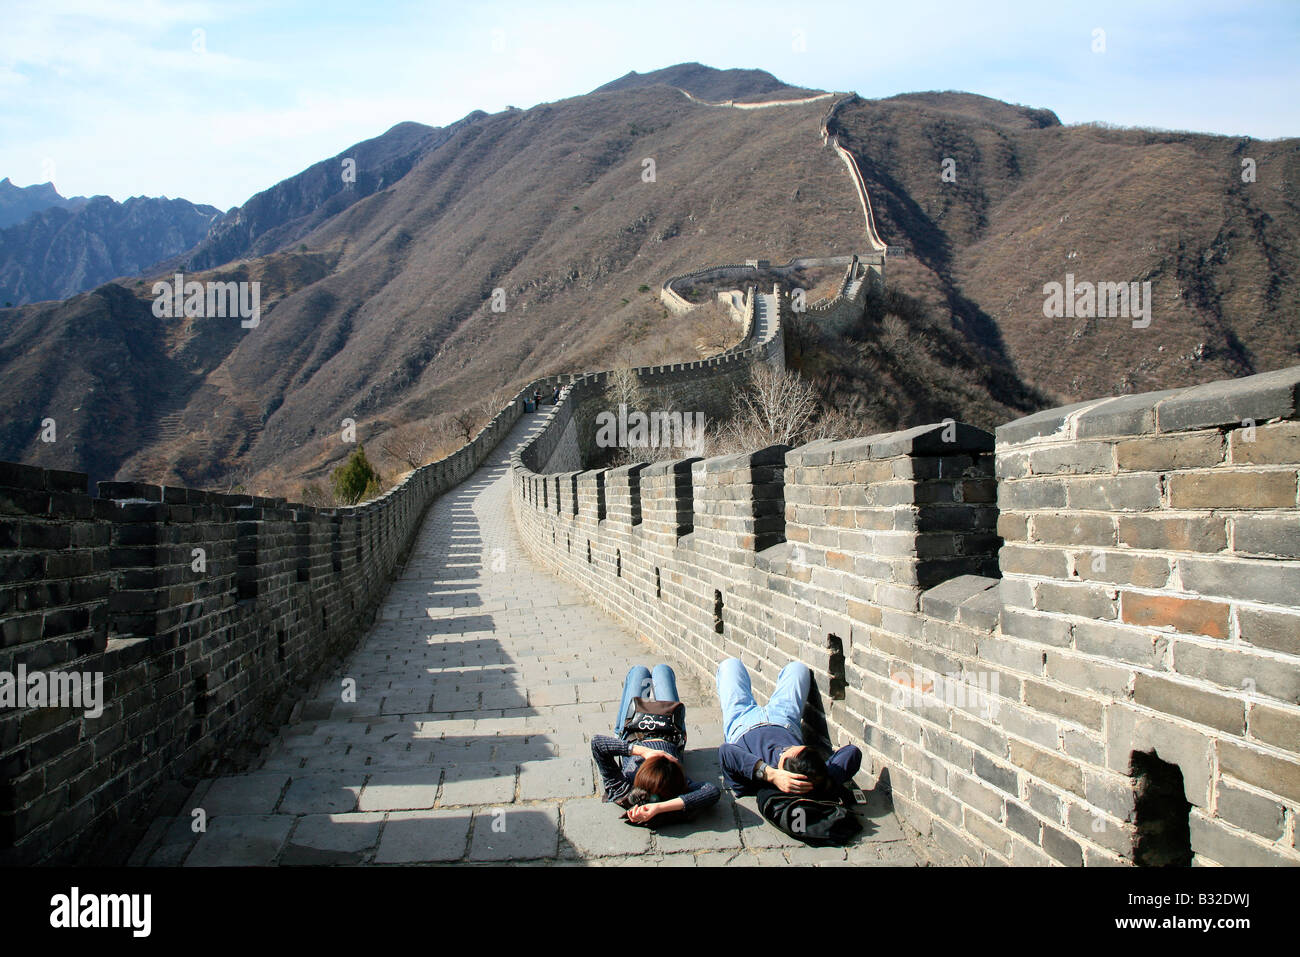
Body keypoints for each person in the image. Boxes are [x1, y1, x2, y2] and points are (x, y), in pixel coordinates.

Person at [591, 664, 719, 825]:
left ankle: (622, 733)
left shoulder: (623, 789)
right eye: (670, 760)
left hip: (634, 729)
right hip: (670, 729)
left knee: (639, 672)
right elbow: (711, 792)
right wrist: (659, 807)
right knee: (663, 670)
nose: (666, 757)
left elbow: (598, 744)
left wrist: (644, 752)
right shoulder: (676, 786)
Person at [715, 657, 861, 797]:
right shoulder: (814, 778)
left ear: (784, 767)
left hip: (741, 722)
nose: (790, 748)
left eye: (789, 752)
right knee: (797, 669)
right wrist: (828, 779)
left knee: (730, 665)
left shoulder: (756, 779)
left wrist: (770, 774)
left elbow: (725, 751)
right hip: (783, 720)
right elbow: (853, 752)